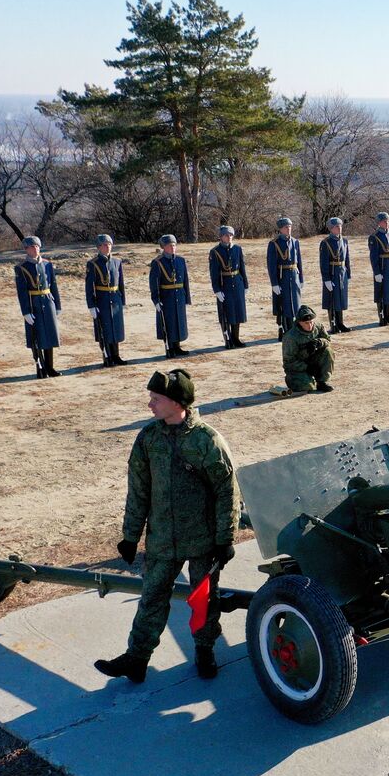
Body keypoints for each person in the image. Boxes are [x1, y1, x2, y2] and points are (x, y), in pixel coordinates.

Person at [96, 369, 238, 683]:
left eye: (156, 399)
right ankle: (137, 659)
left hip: (202, 540)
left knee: (203, 601)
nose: (150, 405)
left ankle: (204, 652)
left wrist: (225, 537)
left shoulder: (207, 440)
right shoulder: (148, 438)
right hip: (161, 539)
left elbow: (227, 490)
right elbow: (139, 489)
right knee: (151, 599)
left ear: (176, 402)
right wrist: (130, 536)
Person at [15, 236, 63, 377]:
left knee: (50, 335)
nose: (35, 249)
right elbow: (22, 292)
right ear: (26, 249)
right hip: (33, 302)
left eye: (37, 246)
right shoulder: (21, 268)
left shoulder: (47, 264)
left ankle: (50, 367)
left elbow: (53, 285)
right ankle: (40, 367)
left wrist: (57, 305)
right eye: (31, 247)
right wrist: (26, 312)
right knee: (37, 336)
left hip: (48, 302)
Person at [86, 234, 127, 365]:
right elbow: (89, 287)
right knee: (104, 329)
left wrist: (123, 301)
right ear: (98, 247)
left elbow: (120, 283)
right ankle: (107, 357)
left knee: (116, 328)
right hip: (102, 300)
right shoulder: (93, 264)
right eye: (104, 245)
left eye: (109, 244)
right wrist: (91, 305)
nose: (108, 247)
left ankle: (116, 355)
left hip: (115, 299)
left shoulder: (117, 262)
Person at [149, 234, 191, 358]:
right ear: (163, 247)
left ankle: (177, 347)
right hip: (166, 297)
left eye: (174, 245)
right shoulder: (158, 262)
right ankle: (170, 348)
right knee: (168, 323)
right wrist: (156, 300)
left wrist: (187, 298)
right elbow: (154, 283)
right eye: (169, 245)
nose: (172, 248)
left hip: (179, 295)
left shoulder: (180, 260)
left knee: (178, 322)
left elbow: (185, 281)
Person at [208, 226, 247, 348]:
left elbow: (242, 268)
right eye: (226, 235)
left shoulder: (237, 249)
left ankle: (236, 338)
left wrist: (245, 284)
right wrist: (217, 290)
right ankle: (228, 339)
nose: (229, 237)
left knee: (237, 312)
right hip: (225, 284)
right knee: (226, 313)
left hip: (237, 282)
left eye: (230, 235)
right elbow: (214, 273)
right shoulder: (215, 252)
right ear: (221, 237)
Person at [282, 305, 335, 393]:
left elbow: (328, 340)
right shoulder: (291, 337)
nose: (310, 325)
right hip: (297, 368)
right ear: (299, 322)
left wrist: (320, 342)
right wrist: (307, 367)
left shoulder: (318, 326)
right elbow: (288, 362)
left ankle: (322, 382)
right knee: (308, 387)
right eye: (306, 323)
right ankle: (300, 380)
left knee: (328, 351)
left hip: (313, 360)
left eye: (311, 322)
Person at [266, 217, 304, 339]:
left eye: (290, 227)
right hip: (282, 276)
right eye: (286, 227)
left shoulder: (295, 241)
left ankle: (295, 329)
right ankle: (285, 329)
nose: (288, 229)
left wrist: (301, 278)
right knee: (284, 305)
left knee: (295, 303)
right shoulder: (274, 243)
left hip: (294, 275)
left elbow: (299, 262)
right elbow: (271, 265)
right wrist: (274, 283)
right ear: (280, 229)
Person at [319, 217, 352, 334]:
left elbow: (347, 259)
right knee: (332, 300)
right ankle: (333, 324)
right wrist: (326, 279)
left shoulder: (344, 240)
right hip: (332, 273)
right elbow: (323, 263)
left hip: (342, 272)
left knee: (341, 299)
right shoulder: (325, 243)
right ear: (331, 228)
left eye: (340, 226)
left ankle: (340, 323)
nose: (339, 228)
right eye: (336, 226)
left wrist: (348, 274)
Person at [367, 212, 389, 326]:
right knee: (380, 292)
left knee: (388, 291)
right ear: (379, 222)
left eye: (388, 221)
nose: (387, 223)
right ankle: (381, 317)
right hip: (382, 266)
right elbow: (373, 257)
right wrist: (377, 272)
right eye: (384, 221)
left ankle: (387, 315)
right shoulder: (374, 237)